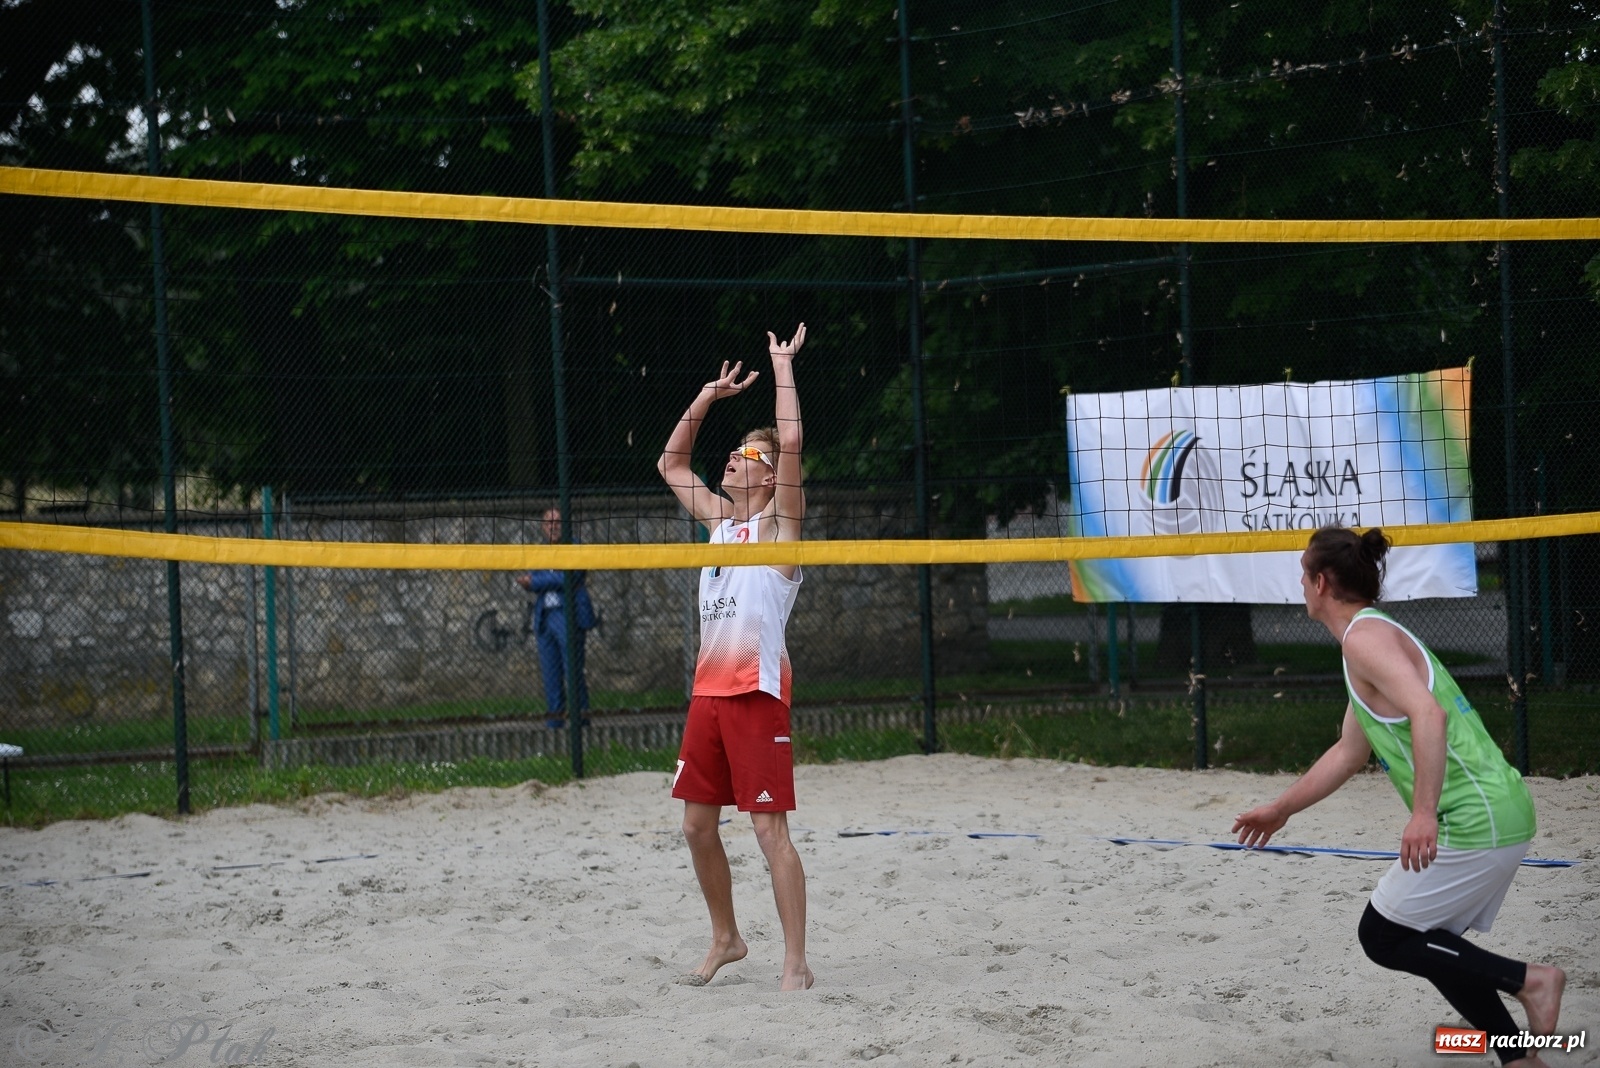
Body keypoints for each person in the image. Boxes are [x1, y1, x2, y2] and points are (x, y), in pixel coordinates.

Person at [1232, 526, 1565, 1067]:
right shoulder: (1364, 640)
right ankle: (1521, 1058)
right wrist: (1281, 808)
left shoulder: (1366, 638)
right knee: (1429, 944)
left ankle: (1530, 981)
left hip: (1477, 815)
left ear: (1320, 582)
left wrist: (1422, 813)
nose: (1298, 583)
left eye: (1302, 573)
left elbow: (1427, 714)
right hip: (1490, 810)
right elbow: (1348, 751)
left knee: (1383, 935)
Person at [656, 323, 813, 992]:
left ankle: (796, 961)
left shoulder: (781, 526)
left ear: (770, 474)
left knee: (769, 831)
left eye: (746, 453)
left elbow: (795, 440)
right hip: (709, 695)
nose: (733, 457)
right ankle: (727, 937)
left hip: (755, 691)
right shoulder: (722, 523)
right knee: (696, 827)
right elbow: (669, 464)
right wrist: (705, 397)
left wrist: (782, 367)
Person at [516, 507, 595, 730]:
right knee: (551, 674)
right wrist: (541, 580)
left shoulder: (576, 546)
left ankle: (582, 724)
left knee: (573, 671)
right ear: (542, 527)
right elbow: (545, 577)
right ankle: (555, 725)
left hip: (569, 615)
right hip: (545, 617)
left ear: (566, 524)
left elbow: (568, 577)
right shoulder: (541, 551)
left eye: (557, 522)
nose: (553, 526)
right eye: (548, 523)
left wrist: (537, 582)